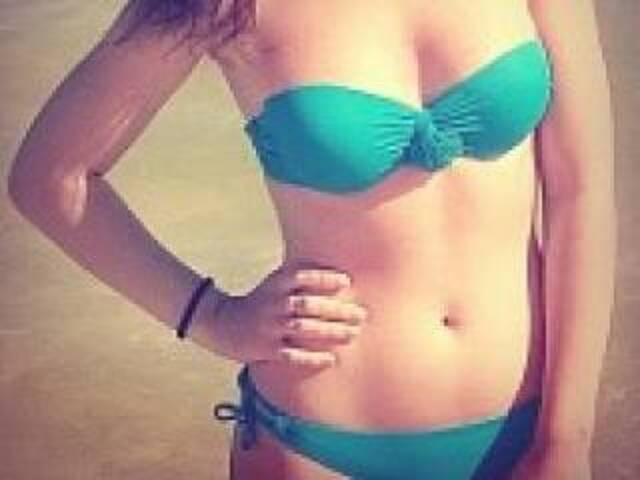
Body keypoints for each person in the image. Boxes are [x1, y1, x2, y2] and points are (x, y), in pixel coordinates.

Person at [7, 0, 616, 479]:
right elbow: (51, 177)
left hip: (532, 432)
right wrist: (212, 317)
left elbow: (580, 193)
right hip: (319, 447)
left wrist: (567, 437)